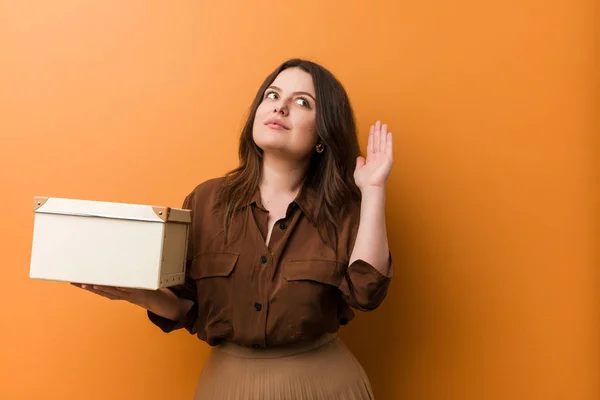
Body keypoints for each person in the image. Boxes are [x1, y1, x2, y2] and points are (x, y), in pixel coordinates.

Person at [73, 58, 394, 399]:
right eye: (272, 95)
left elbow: (367, 292)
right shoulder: (206, 201)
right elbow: (185, 306)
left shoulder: (341, 209)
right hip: (227, 387)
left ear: (323, 134)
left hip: (324, 387)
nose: (280, 107)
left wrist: (373, 190)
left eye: (302, 102)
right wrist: (133, 293)